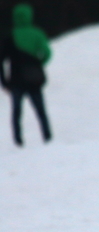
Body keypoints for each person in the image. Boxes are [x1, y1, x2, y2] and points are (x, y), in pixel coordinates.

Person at [0, 3, 52, 147]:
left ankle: (18, 141)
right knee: (41, 111)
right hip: (34, 78)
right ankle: (47, 138)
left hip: (16, 80)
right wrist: (38, 63)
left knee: (16, 112)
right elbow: (47, 53)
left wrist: (4, 82)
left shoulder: (10, 36)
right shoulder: (37, 34)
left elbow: (1, 61)